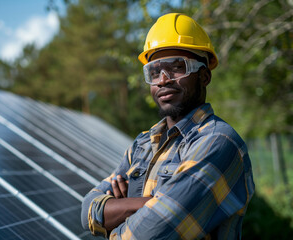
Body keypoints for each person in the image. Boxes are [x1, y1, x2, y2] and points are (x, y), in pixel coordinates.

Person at [81, 13, 255, 239]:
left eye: (176, 67)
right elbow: (87, 210)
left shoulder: (218, 142)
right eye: (154, 71)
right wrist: (153, 204)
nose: (163, 79)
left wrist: (117, 215)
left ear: (204, 76)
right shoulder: (143, 143)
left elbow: (150, 233)